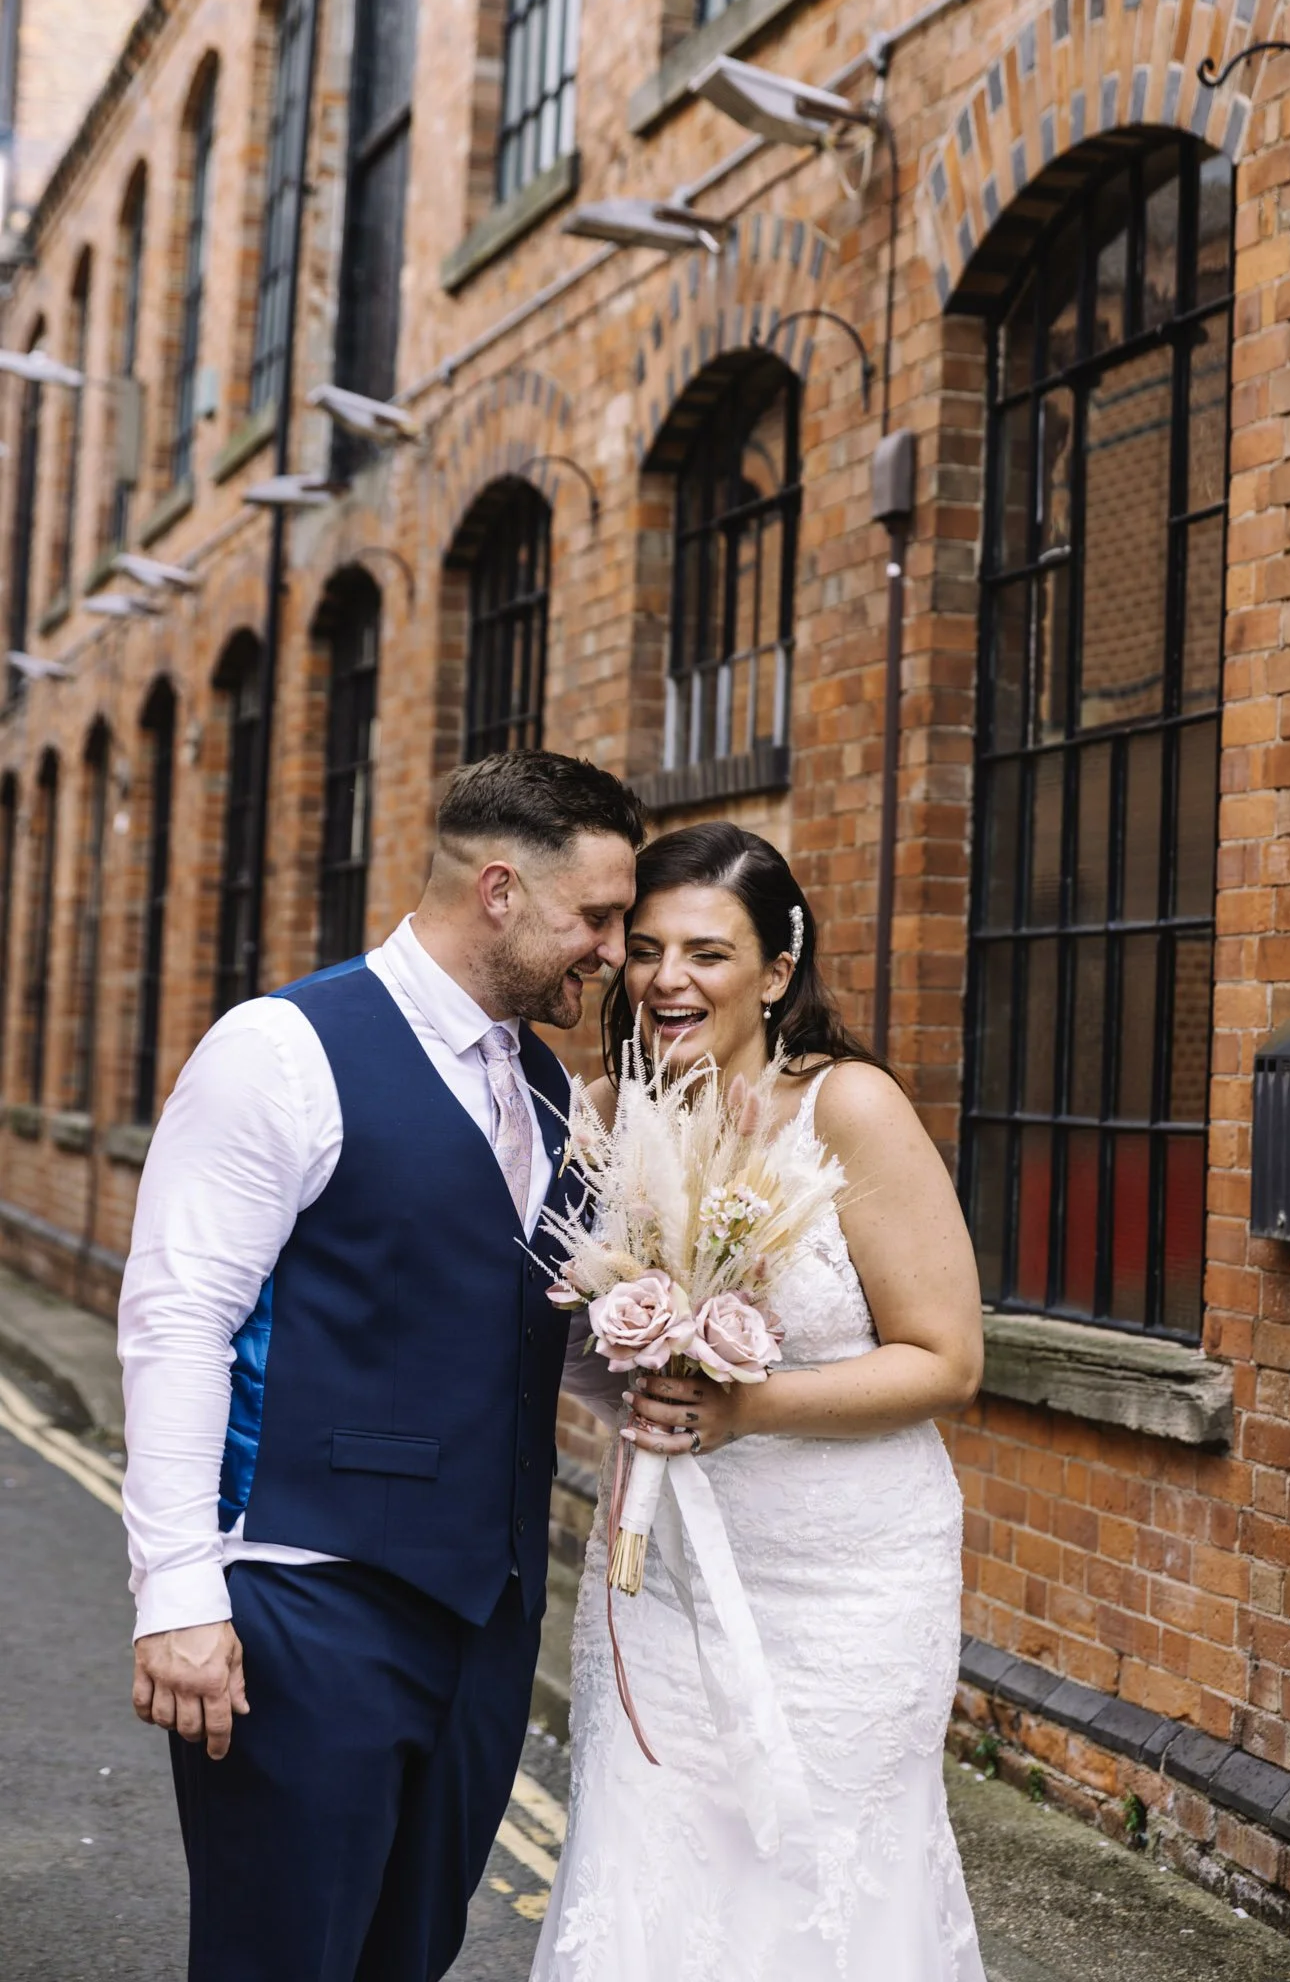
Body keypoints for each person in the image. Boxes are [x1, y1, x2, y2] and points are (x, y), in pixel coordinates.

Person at [118, 748, 644, 1982]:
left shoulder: (548, 1088)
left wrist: (664, 1361)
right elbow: (179, 1319)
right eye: (597, 916)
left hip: (488, 1615)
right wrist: (177, 1592)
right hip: (308, 1597)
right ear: (500, 890)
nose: (615, 952)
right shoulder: (282, 1048)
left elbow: (528, 1320)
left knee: (410, 1954)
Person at [532, 820, 988, 1981]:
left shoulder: (848, 1108)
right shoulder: (603, 1115)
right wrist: (641, 1378)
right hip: (661, 1577)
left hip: (845, 1586)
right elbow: (573, 1343)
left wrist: (746, 1408)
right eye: (645, 950)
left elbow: (946, 1361)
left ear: (777, 972)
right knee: (650, 1868)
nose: (665, 980)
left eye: (707, 953)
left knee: (818, 1889)